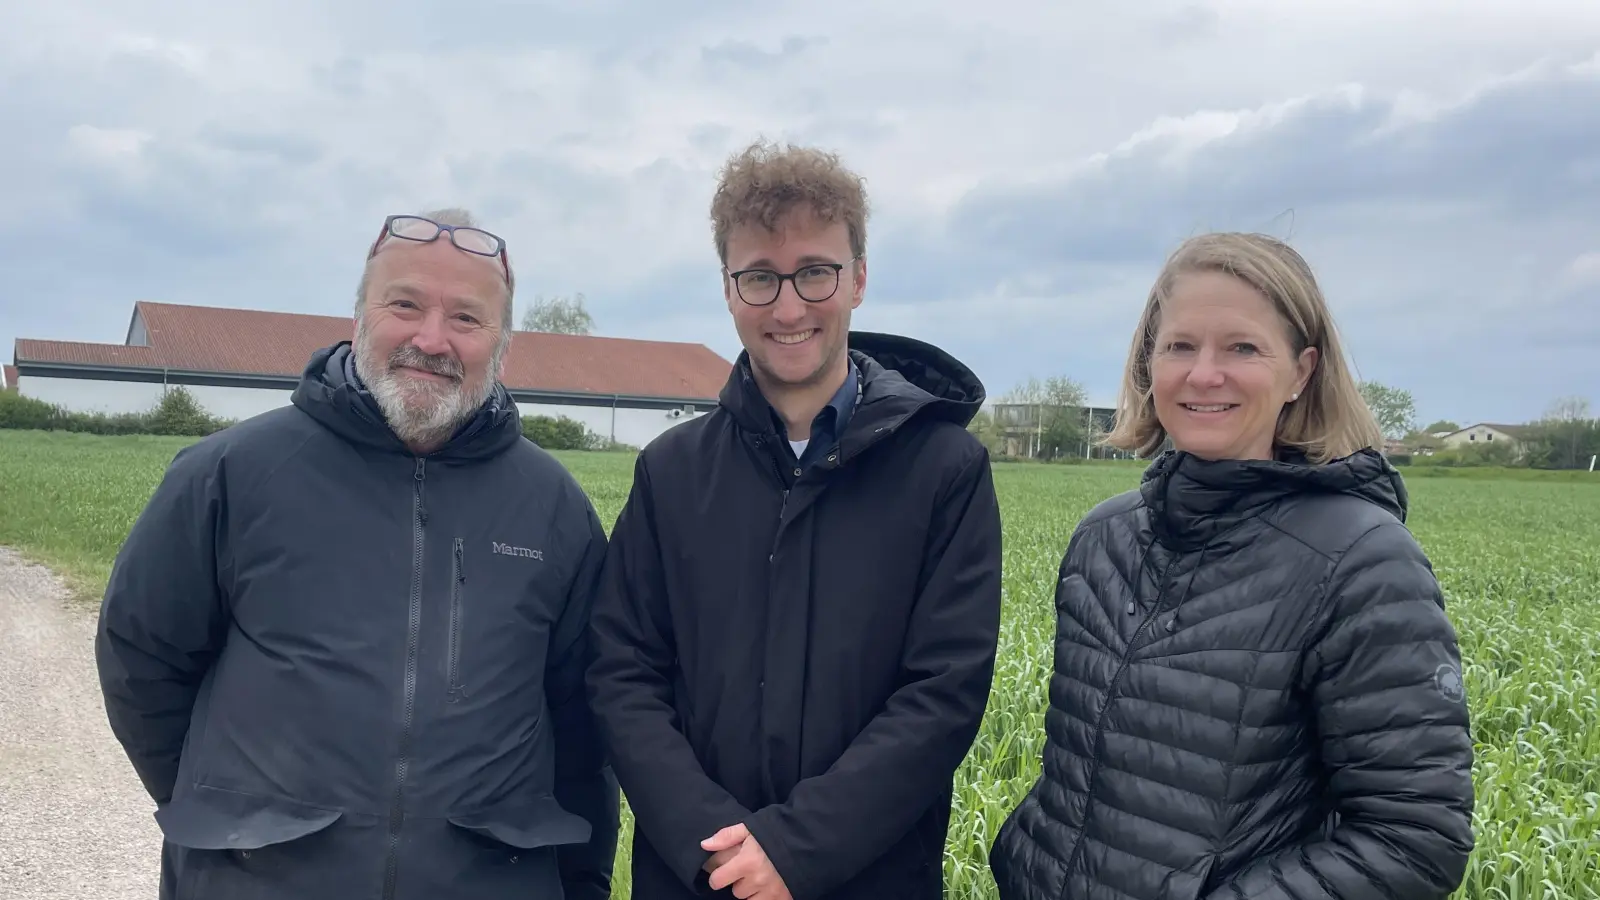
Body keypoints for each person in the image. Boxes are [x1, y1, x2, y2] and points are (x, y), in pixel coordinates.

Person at [94, 209, 619, 900]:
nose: (431, 339)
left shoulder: (554, 508)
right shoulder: (230, 475)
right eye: (405, 304)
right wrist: (224, 811)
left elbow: (583, 725)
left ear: (501, 346)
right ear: (359, 317)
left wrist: (582, 883)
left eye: (466, 318)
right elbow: (142, 662)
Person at [988, 232, 1476, 900]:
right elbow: (1078, 772)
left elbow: (1413, 839)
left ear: (1301, 372)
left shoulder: (1363, 563)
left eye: (1242, 347)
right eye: (1180, 346)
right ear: (1148, 364)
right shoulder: (1105, 538)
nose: (1204, 374)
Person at [584, 140, 1005, 900]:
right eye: (759, 277)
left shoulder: (945, 471)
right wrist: (714, 843)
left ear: (860, 279)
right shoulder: (671, 473)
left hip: (870, 878)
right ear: (727, 287)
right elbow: (623, 673)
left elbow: (942, 693)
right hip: (695, 880)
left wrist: (795, 849)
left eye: (815, 272)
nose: (787, 306)